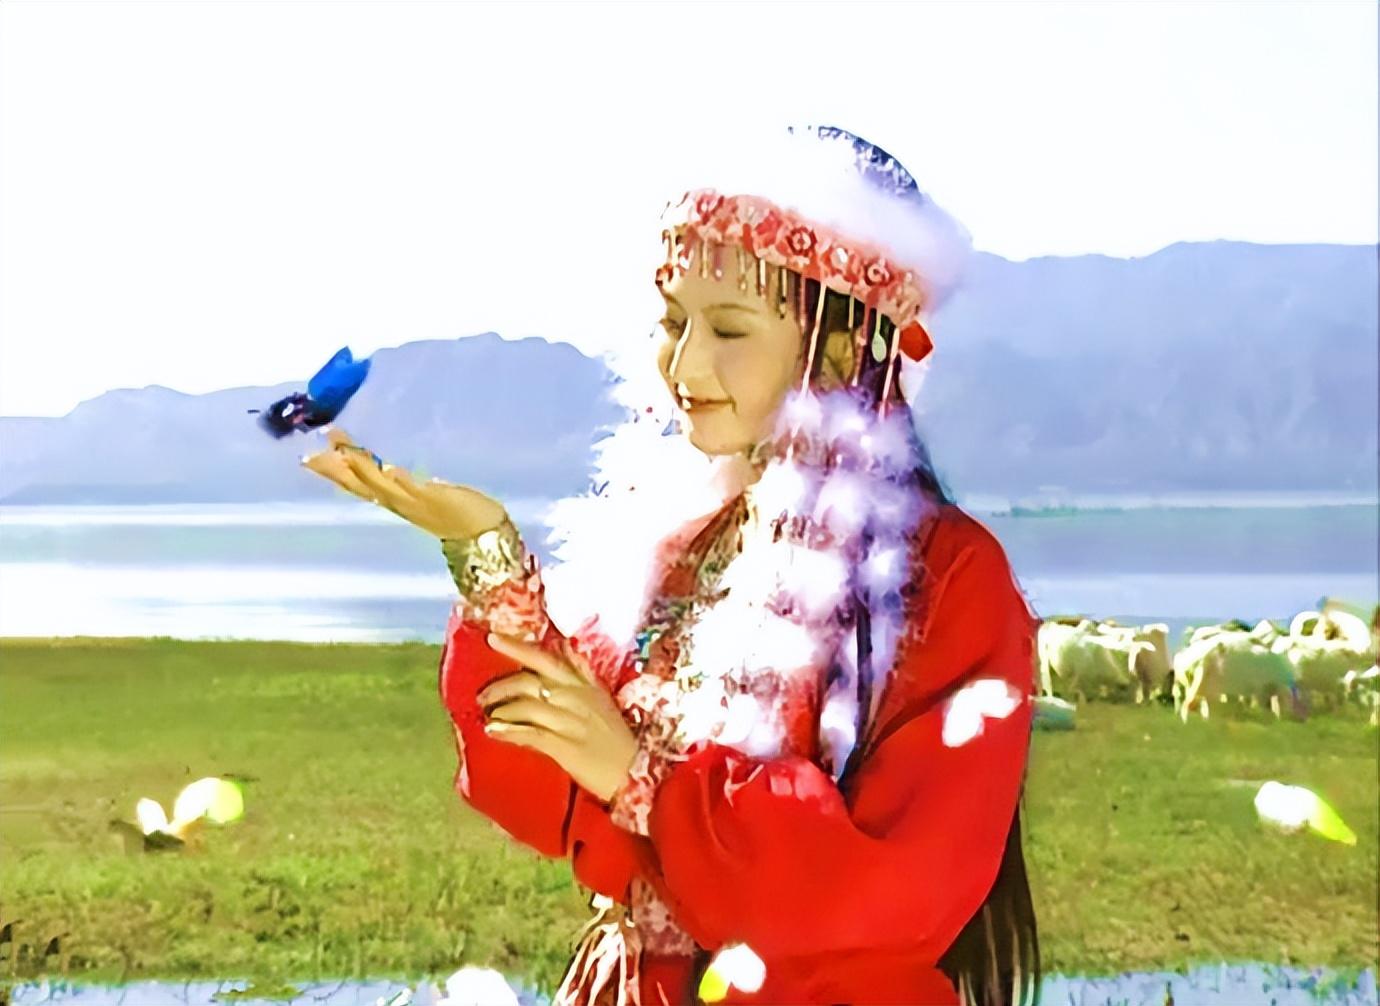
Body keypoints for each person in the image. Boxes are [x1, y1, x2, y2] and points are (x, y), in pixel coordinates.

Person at [303, 125, 1042, 1006]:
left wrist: (646, 784)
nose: (684, 364)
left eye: (728, 328)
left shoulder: (947, 579)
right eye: (672, 321)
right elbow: (553, 787)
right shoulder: (689, 546)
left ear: (841, 350)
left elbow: (891, 892)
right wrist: (488, 559)